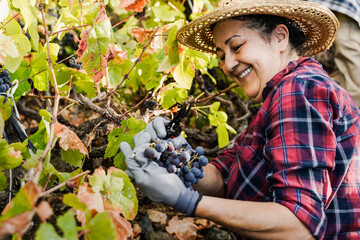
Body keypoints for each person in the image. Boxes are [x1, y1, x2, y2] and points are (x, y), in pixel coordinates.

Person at [120, 0, 360, 239]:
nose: (228, 64)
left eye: (236, 46)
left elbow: (298, 226)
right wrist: (178, 155)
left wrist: (189, 202)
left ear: (279, 37)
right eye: (221, 56)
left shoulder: (299, 90)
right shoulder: (282, 94)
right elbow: (224, 180)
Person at [307, 0, 360, 106]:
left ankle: (353, 110)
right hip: (313, 7)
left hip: (344, 8)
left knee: (349, 57)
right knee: (309, 55)